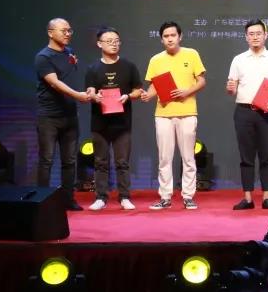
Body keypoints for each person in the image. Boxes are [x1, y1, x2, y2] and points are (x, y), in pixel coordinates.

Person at [141, 21, 207, 210]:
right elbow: (154, 85)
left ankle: (188, 196)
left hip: (187, 112)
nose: (170, 39)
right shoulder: (156, 60)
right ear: (161, 39)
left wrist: (187, 92)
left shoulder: (191, 54)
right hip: (163, 114)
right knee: (164, 157)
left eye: (173, 35)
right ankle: (165, 197)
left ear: (180, 36)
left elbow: (201, 81)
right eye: (166, 36)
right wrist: (147, 95)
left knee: (188, 157)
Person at [226, 19, 268, 210]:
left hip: (267, 112)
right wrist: (230, 88)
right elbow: (231, 88)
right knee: (246, 156)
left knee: (267, 155)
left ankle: (267, 197)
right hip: (244, 112)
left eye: (258, 33)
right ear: (246, 37)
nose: (255, 37)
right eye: (251, 34)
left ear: (265, 35)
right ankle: (247, 198)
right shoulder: (238, 59)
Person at [34, 18, 92, 211]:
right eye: (63, 31)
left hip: (70, 116)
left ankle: (68, 199)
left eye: (69, 31)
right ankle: (41, 201)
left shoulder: (70, 53)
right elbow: (55, 83)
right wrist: (77, 95)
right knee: (47, 160)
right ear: (50, 33)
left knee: (69, 161)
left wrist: (87, 92)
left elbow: (71, 78)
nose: (67, 34)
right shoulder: (43, 57)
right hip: (49, 117)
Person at [84, 27, 143, 210]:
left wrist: (128, 96)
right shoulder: (93, 68)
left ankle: (124, 196)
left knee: (122, 162)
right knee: (100, 162)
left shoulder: (129, 66)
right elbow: (90, 91)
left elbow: (138, 90)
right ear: (99, 44)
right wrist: (94, 97)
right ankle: (101, 197)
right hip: (99, 123)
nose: (114, 44)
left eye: (116, 41)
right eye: (109, 41)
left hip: (122, 123)